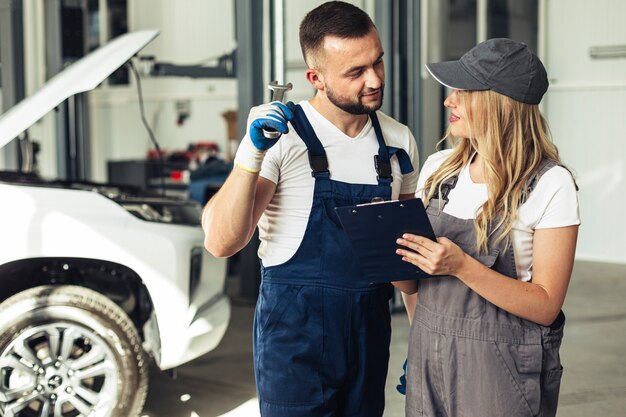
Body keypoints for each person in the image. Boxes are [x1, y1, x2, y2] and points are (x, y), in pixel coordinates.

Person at [202, 2, 420, 416]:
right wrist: (249, 155)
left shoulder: (397, 141)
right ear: (315, 78)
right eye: (355, 72)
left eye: (377, 63)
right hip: (294, 337)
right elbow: (221, 242)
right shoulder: (280, 136)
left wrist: (426, 341)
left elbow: (407, 257)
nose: (374, 80)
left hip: (369, 333)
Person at [393, 38, 580, 417]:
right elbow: (414, 284)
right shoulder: (439, 169)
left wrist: (461, 265)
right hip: (430, 356)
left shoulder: (550, 183)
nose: (449, 100)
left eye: (463, 91)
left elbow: (545, 306)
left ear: (499, 102)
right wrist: (388, 251)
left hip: (502, 371)